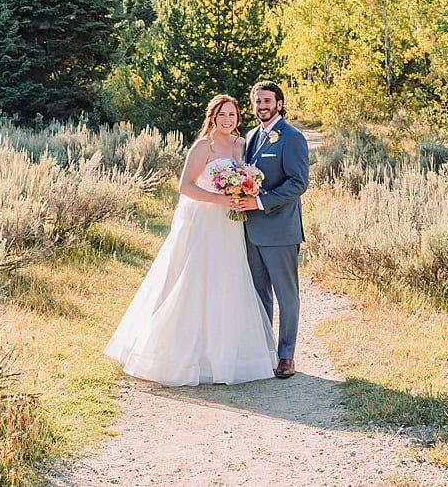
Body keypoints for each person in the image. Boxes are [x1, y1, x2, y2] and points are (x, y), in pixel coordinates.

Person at [103, 94, 276, 386]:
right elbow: (185, 186)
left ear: (237, 118)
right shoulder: (202, 147)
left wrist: (243, 191)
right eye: (222, 115)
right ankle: (177, 354)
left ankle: (225, 355)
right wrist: (220, 198)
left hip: (230, 225)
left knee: (228, 281)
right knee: (196, 280)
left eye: (232, 115)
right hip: (205, 222)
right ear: (213, 117)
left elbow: (246, 176)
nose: (227, 120)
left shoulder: (239, 144)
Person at [227, 80, 309, 379]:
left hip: (280, 230)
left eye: (267, 101)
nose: (262, 106)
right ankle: (265, 351)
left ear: (279, 103)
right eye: (257, 101)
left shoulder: (292, 137)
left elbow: (298, 183)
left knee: (287, 297)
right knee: (259, 294)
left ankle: (286, 356)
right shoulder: (250, 136)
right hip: (250, 230)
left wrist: (259, 202)